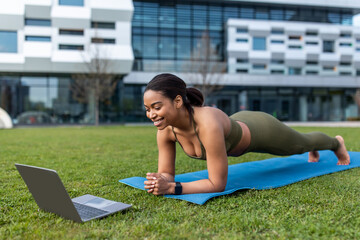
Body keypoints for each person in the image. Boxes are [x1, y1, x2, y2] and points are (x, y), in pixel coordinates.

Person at [143, 73, 350, 196]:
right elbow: (167, 174)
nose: (151, 114)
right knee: (302, 144)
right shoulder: (165, 132)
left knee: (300, 144)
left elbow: (217, 184)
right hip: (236, 122)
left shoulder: (207, 123)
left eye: (156, 107)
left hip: (260, 129)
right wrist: (159, 180)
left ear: (177, 101)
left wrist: (172, 188)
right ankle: (315, 145)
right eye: (147, 109)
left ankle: (336, 143)